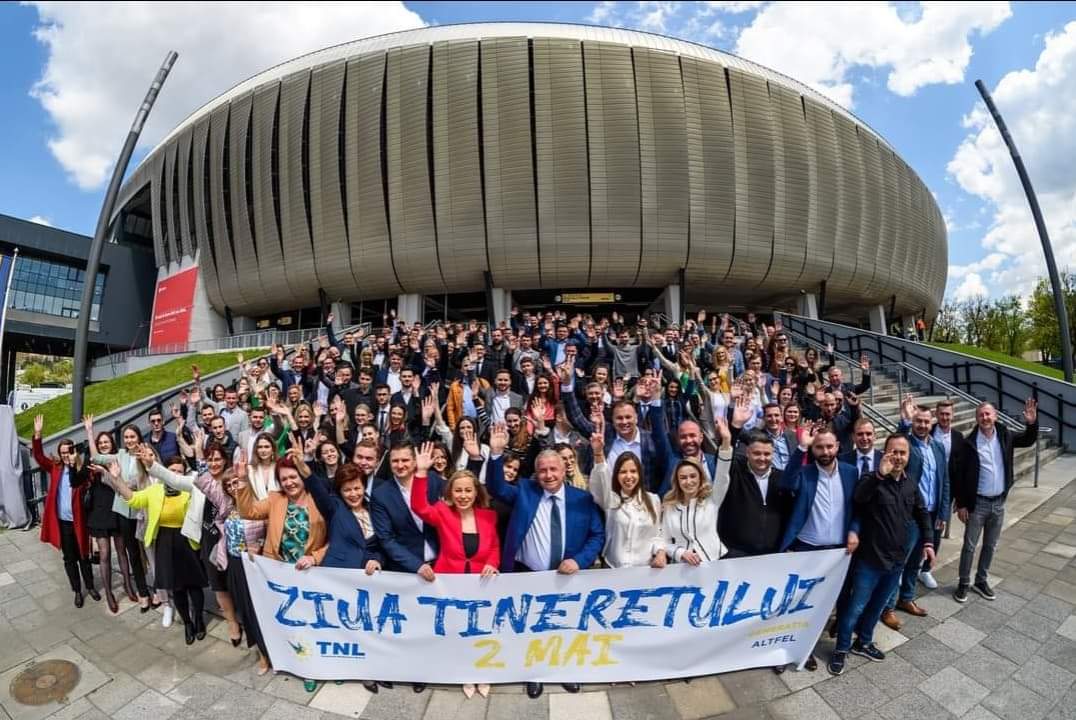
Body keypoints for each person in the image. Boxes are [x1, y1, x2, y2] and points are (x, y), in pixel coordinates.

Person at [485, 423, 605, 699]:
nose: (548, 475)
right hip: (527, 574)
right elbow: (496, 487)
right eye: (543, 470)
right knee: (530, 628)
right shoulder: (525, 490)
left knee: (564, 627)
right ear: (536, 473)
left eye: (553, 469)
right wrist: (496, 454)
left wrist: (580, 561)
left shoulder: (582, 499)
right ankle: (535, 674)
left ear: (564, 470)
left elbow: (597, 535)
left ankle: (565, 672)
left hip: (566, 578)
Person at [828, 435, 934, 675]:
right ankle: (841, 649)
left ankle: (863, 642)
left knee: (877, 607)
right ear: (884, 453)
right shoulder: (871, 478)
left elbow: (922, 513)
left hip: (896, 561)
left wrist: (928, 542)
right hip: (870, 561)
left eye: (902, 453)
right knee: (856, 607)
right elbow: (859, 498)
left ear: (908, 457)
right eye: (893, 452)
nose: (898, 457)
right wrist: (879, 475)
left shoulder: (910, 483)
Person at [410, 442, 500, 698]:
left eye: (468, 490)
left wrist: (492, 563)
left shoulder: (488, 516)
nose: (463, 495)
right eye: (458, 490)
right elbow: (419, 507)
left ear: (476, 492)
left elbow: (494, 546)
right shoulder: (442, 512)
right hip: (449, 583)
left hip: (481, 585)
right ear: (450, 492)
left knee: (479, 629)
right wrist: (421, 473)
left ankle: (481, 671)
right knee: (456, 630)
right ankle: (463, 672)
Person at [234, 454, 329, 692]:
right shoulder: (276, 499)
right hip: (279, 576)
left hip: (310, 575)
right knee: (292, 624)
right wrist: (243, 481)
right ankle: (303, 666)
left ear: (302, 476)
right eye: (284, 479)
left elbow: (335, 537)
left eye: (293, 477)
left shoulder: (319, 499)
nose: (289, 482)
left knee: (313, 623)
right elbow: (248, 511)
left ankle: (321, 666)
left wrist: (315, 557)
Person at [774, 425, 862, 673]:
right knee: (803, 602)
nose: (825, 451)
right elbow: (786, 484)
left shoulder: (851, 472)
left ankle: (835, 644)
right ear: (813, 449)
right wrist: (801, 447)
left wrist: (854, 530)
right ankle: (804, 650)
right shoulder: (804, 473)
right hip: (807, 548)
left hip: (839, 551)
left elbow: (857, 508)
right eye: (819, 447)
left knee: (836, 600)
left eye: (829, 446)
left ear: (838, 447)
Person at [97, 455, 209, 645]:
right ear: (165, 472)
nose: (175, 475)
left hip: (187, 540)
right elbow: (133, 499)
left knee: (194, 585)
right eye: (172, 471)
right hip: (165, 541)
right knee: (177, 587)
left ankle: (198, 619)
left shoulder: (191, 489)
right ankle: (187, 623)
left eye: (179, 472)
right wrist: (117, 479)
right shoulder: (155, 490)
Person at [953, 399, 1038, 603]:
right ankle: (963, 582)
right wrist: (962, 504)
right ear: (977, 418)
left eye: (988, 414)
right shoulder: (968, 443)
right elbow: (959, 475)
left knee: (990, 545)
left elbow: (1028, 440)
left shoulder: (1005, 435)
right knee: (970, 546)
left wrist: (1031, 423)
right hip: (977, 504)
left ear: (995, 416)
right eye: (981, 415)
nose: (985, 418)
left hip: (999, 502)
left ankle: (981, 580)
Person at [882, 401, 950, 628]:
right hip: (909, 515)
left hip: (931, 514)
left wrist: (943, 512)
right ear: (913, 422)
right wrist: (904, 421)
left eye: (926, 421)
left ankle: (907, 598)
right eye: (918, 421)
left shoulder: (938, 446)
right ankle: (887, 607)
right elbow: (896, 443)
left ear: (932, 422)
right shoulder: (907, 444)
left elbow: (944, 480)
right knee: (899, 563)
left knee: (916, 561)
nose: (922, 425)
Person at [85, 416, 154, 611]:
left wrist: (126, 482)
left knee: (150, 552)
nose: (129, 440)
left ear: (139, 437)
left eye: (132, 436)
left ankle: (159, 591)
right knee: (133, 553)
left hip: (143, 510)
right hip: (124, 511)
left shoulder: (145, 453)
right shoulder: (120, 455)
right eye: (126, 437)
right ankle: (143, 593)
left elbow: (153, 476)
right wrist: (90, 432)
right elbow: (96, 458)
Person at [32, 415, 98, 607]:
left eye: (68, 451)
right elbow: (39, 457)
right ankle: (77, 590)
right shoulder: (55, 467)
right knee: (69, 559)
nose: (65, 455)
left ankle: (90, 586)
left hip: (80, 521)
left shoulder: (81, 470)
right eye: (62, 452)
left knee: (84, 556)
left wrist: (89, 433)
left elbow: (92, 472)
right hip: (63, 523)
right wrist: (38, 435)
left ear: (73, 451)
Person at [588, 427, 666, 569]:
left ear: (640, 474)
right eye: (623, 472)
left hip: (644, 570)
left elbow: (657, 535)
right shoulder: (611, 499)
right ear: (616, 475)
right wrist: (598, 454)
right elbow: (600, 479)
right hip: (613, 568)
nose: (628, 476)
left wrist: (660, 552)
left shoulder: (653, 500)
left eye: (633, 471)